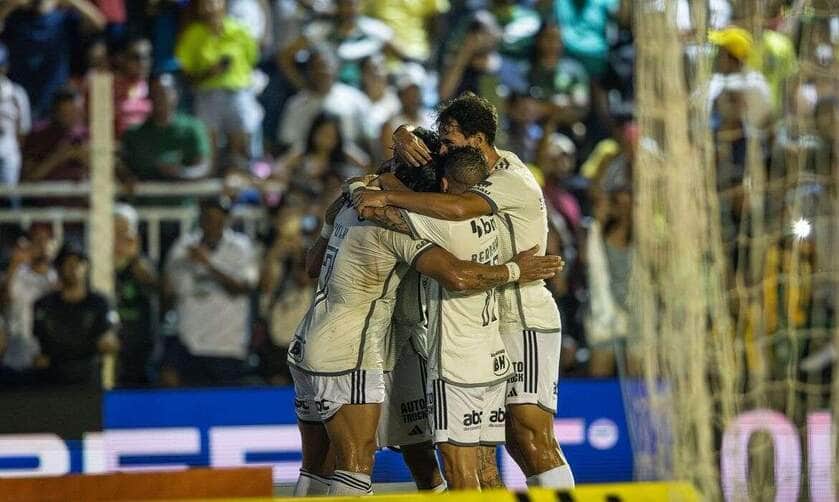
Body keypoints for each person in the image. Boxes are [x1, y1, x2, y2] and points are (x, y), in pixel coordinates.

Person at [288, 153, 562, 495]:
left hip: (308, 341)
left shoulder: (346, 208)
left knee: (316, 467)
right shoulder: (394, 226)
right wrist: (517, 270)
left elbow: (312, 265)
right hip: (350, 352)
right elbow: (457, 276)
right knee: (356, 465)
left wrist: (359, 186)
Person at [355, 93, 575, 489]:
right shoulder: (463, 168)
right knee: (504, 444)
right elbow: (409, 159)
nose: (440, 147)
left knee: (531, 435)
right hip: (488, 313)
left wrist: (386, 196)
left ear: (477, 138)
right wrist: (401, 133)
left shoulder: (510, 177)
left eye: (448, 139)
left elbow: (457, 210)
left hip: (522, 309)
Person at [361, 147, 517, 489]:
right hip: (492, 360)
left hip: (454, 365)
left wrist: (370, 183)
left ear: (443, 184)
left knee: (460, 475)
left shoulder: (443, 226)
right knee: (487, 472)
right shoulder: (494, 216)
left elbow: (375, 208)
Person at [161, 197, 258, 387]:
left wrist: (209, 265)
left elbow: (244, 288)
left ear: (226, 220)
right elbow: (168, 290)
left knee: (224, 408)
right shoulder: (183, 246)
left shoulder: (241, 247)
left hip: (227, 345)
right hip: (189, 341)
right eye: (208, 218)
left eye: (218, 219)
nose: (212, 224)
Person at [175, 0, 260, 168]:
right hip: (207, 95)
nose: (209, 8)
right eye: (204, 4)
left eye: (213, 2)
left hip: (238, 93)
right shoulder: (193, 35)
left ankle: (241, 184)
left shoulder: (240, 31)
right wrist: (209, 73)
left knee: (242, 150)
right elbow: (186, 74)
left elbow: (252, 59)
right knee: (208, 150)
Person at [32, 243, 119, 387]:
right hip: (52, 380)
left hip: (88, 378)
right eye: (68, 263)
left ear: (86, 267)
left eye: (79, 263)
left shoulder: (99, 303)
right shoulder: (44, 305)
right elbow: (39, 344)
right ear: (59, 267)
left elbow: (108, 342)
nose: (74, 268)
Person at [0, 0, 105, 118]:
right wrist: (10, 4)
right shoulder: (15, 19)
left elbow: (98, 24)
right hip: (21, 99)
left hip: (55, 101)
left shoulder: (62, 19)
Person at [120, 73, 212, 181]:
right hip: (145, 196)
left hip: (181, 196)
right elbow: (123, 166)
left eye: (163, 93)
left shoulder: (192, 128)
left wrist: (181, 173)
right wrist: (126, 176)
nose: (159, 99)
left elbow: (204, 167)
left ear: (175, 95)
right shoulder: (133, 134)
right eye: (155, 94)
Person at [277, 47, 369, 153]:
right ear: (308, 71)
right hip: (308, 163)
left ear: (335, 68)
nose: (321, 71)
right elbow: (287, 142)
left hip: (350, 161)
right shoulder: (297, 104)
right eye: (316, 67)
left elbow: (368, 138)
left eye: (325, 66)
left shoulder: (355, 98)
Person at [0, 225, 58, 377]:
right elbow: (5, 298)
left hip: (47, 356)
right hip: (16, 354)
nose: (43, 245)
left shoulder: (57, 278)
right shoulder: (16, 274)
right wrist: (14, 263)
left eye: (47, 240)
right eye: (38, 241)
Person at [113, 203, 158, 387]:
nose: (118, 239)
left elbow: (155, 286)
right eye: (114, 231)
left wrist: (134, 256)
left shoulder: (143, 265)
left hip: (140, 350)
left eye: (124, 232)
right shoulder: (97, 266)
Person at [21, 87, 89, 182]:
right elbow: (28, 178)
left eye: (77, 112)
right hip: (47, 195)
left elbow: (107, 178)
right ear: (56, 112)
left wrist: (86, 159)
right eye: (67, 113)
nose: (73, 117)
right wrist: (58, 157)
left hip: (80, 196)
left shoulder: (87, 135)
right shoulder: (38, 134)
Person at [0, 41, 31, 187]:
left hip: (8, 151)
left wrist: (13, 149)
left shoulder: (17, 93)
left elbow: (23, 131)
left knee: (9, 197)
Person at [112, 37, 152, 136]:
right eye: (136, 58)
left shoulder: (155, 89)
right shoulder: (110, 88)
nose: (142, 63)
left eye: (146, 58)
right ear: (123, 59)